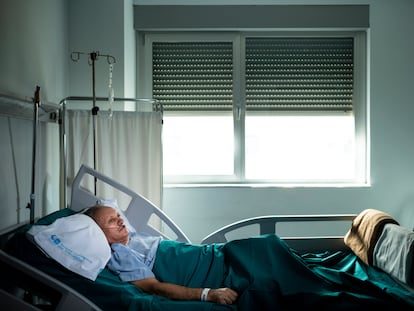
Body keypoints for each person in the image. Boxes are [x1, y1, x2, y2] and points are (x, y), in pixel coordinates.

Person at [85, 205, 238, 305]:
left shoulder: (132, 237)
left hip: (214, 254)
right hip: (209, 269)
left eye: (118, 216)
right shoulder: (119, 254)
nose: (120, 221)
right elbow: (155, 287)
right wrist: (207, 294)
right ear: (98, 232)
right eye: (112, 220)